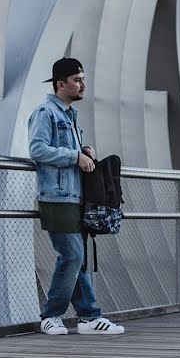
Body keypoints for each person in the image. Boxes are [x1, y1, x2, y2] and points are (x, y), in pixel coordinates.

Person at [28, 57, 124, 335]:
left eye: (83, 79)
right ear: (61, 84)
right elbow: (37, 150)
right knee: (71, 255)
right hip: (55, 197)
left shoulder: (69, 115)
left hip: (74, 197)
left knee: (78, 258)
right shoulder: (46, 113)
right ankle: (51, 315)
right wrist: (74, 157)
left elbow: (65, 151)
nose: (83, 85)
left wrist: (85, 151)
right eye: (77, 80)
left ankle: (89, 317)